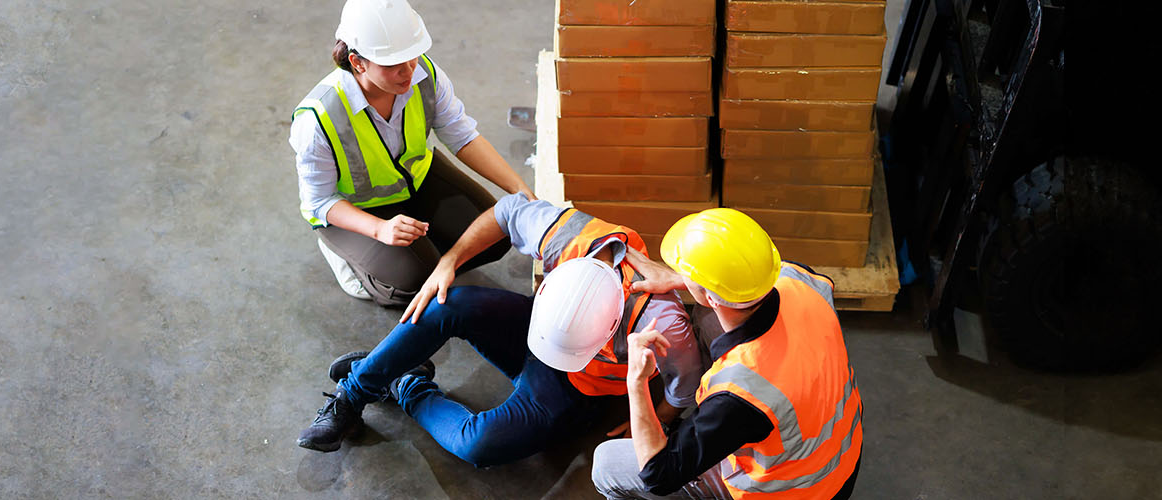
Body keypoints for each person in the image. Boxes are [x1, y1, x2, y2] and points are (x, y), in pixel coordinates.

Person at [296, 193, 705, 468]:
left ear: (613, 325)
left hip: (578, 391)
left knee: (479, 445)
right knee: (448, 302)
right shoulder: (575, 239)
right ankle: (352, 396)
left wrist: (655, 419)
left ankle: (407, 384)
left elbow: (683, 383)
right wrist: (448, 263)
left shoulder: (663, 321)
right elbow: (506, 210)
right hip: (534, 329)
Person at [591, 209, 863, 499]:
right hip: (837, 449)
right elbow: (743, 288)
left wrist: (636, 381)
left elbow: (659, 475)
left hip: (797, 489)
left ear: (710, 294)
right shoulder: (799, 278)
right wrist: (677, 279)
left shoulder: (742, 392)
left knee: (607, 465)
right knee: (707, 319)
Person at [291, 0, 532, 306]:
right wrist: (380, 229)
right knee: (413, 284)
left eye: (412, 57)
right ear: (358, 62)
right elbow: (318, 202)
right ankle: (348, 258)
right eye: (393, 65)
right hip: (360, 210)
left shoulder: (424, 75)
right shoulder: (319, 118)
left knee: (497, 235)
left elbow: (462, 135)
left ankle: (428, 250)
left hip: (417, 181)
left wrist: (520, 190)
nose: (408, 72)